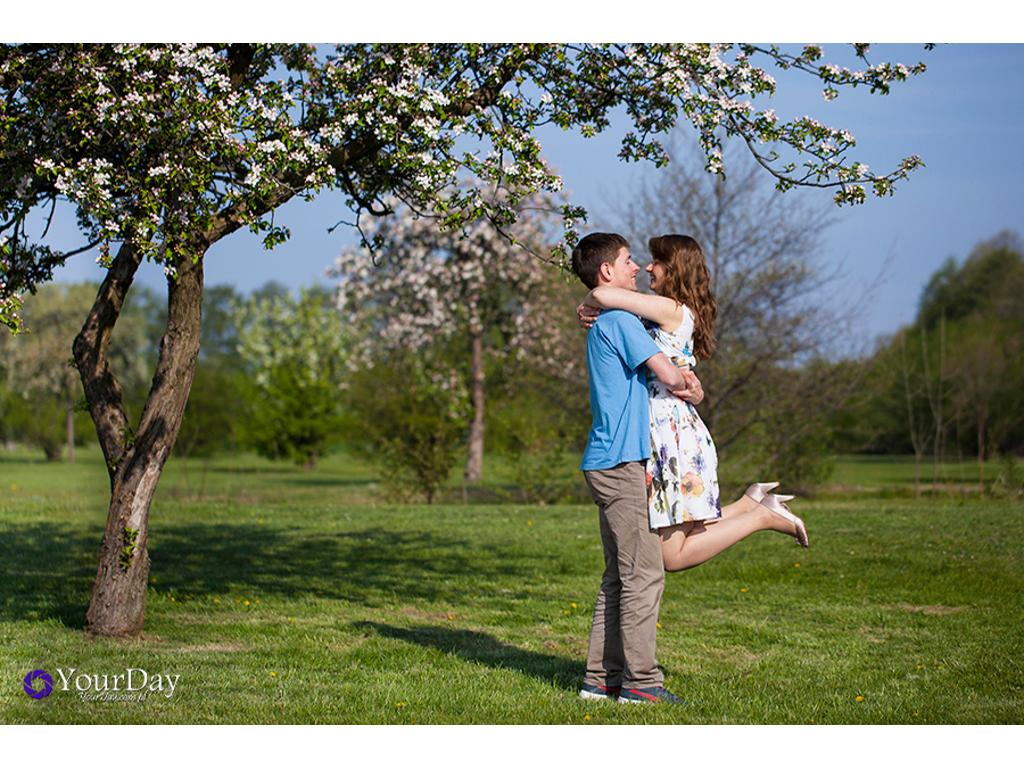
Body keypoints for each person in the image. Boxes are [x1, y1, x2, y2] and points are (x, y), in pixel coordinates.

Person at [577, 234, 808, 575]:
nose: (646, 267)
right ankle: (751, 504)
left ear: (674, 271)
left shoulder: (670, 309)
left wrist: (587, 302)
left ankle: (760, 517)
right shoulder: (658, 312)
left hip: (671, 437)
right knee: (686, 530)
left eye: (657, 262)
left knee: (672, 555)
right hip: (668, 431)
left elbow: (602, 293)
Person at [570, 232, 703, 706]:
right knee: (644, 576)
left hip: (606, 460)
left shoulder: (608, 321)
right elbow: (668, 376)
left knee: (618, 577)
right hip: (624, 463)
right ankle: (641, 684)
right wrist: (685, 377)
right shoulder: (622, 321)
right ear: (607, 272)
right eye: (628, 262)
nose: (636, 270)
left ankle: (599, 679)